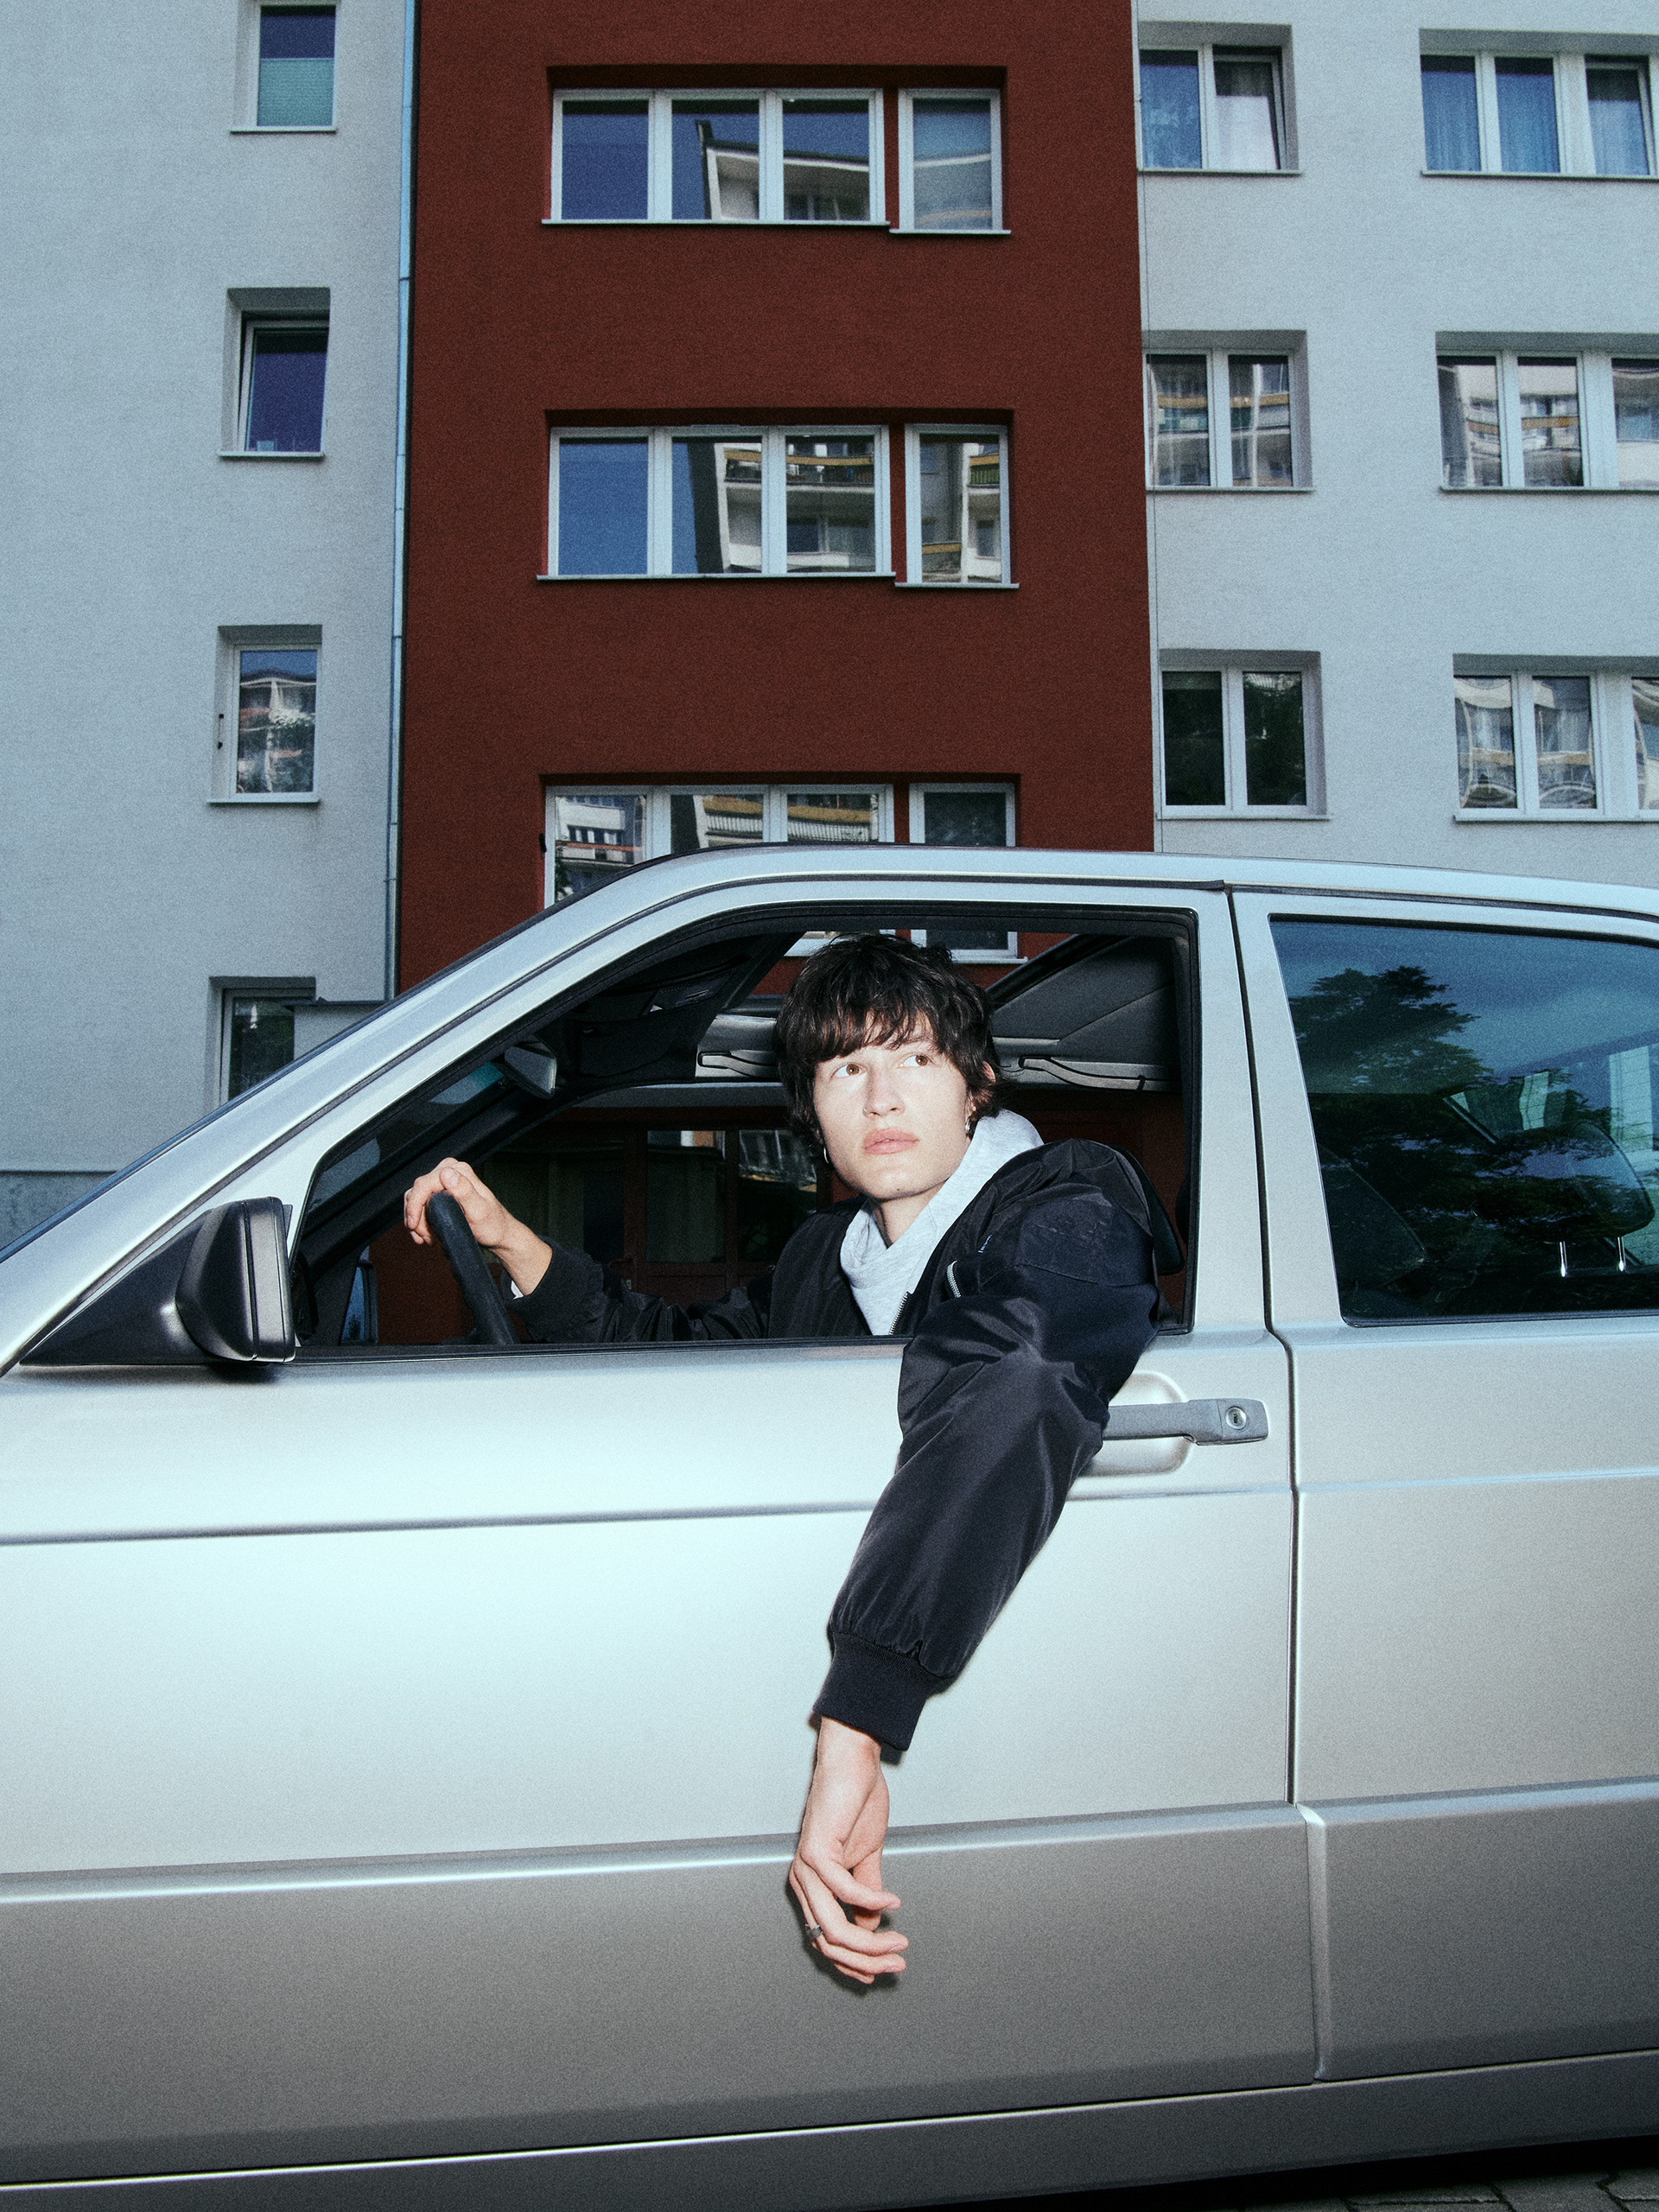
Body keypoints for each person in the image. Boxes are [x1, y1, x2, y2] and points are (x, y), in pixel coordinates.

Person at [404, 933, 1162, 1984]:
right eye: (845, 1068)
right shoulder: (827, 1258)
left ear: (977, 1082)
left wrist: (858, 1721)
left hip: (1032, 1714)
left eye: (915, 1058)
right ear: (811, 1108)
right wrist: (512, 1245)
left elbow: (1019, 1367)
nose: (882, 1097)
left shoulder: (1064, 1205)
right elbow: (680, 1357)